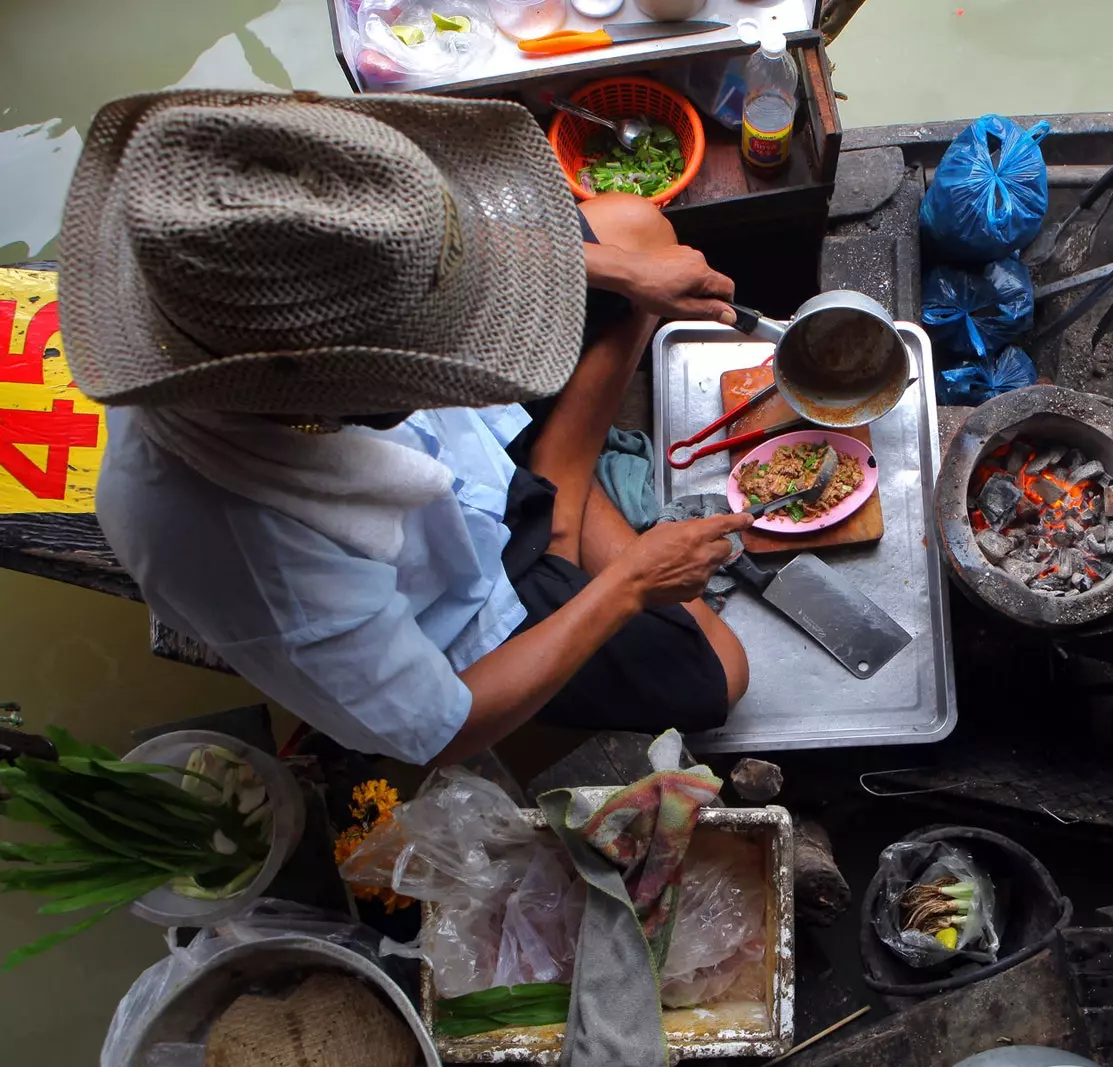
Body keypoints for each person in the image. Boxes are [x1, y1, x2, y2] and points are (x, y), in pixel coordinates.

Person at [61, 89, 755, 765]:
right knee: (722, 670)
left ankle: (562, 497)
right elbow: (443, 727)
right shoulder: (248, 555)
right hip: (471, 584)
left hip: (467, 462)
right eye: (440, 352)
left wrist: (622, 271)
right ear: (333, 393)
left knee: (638, 230)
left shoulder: (254, 254)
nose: (478, 351)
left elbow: (449, 250)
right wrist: (628, 583)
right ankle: (560, 511)